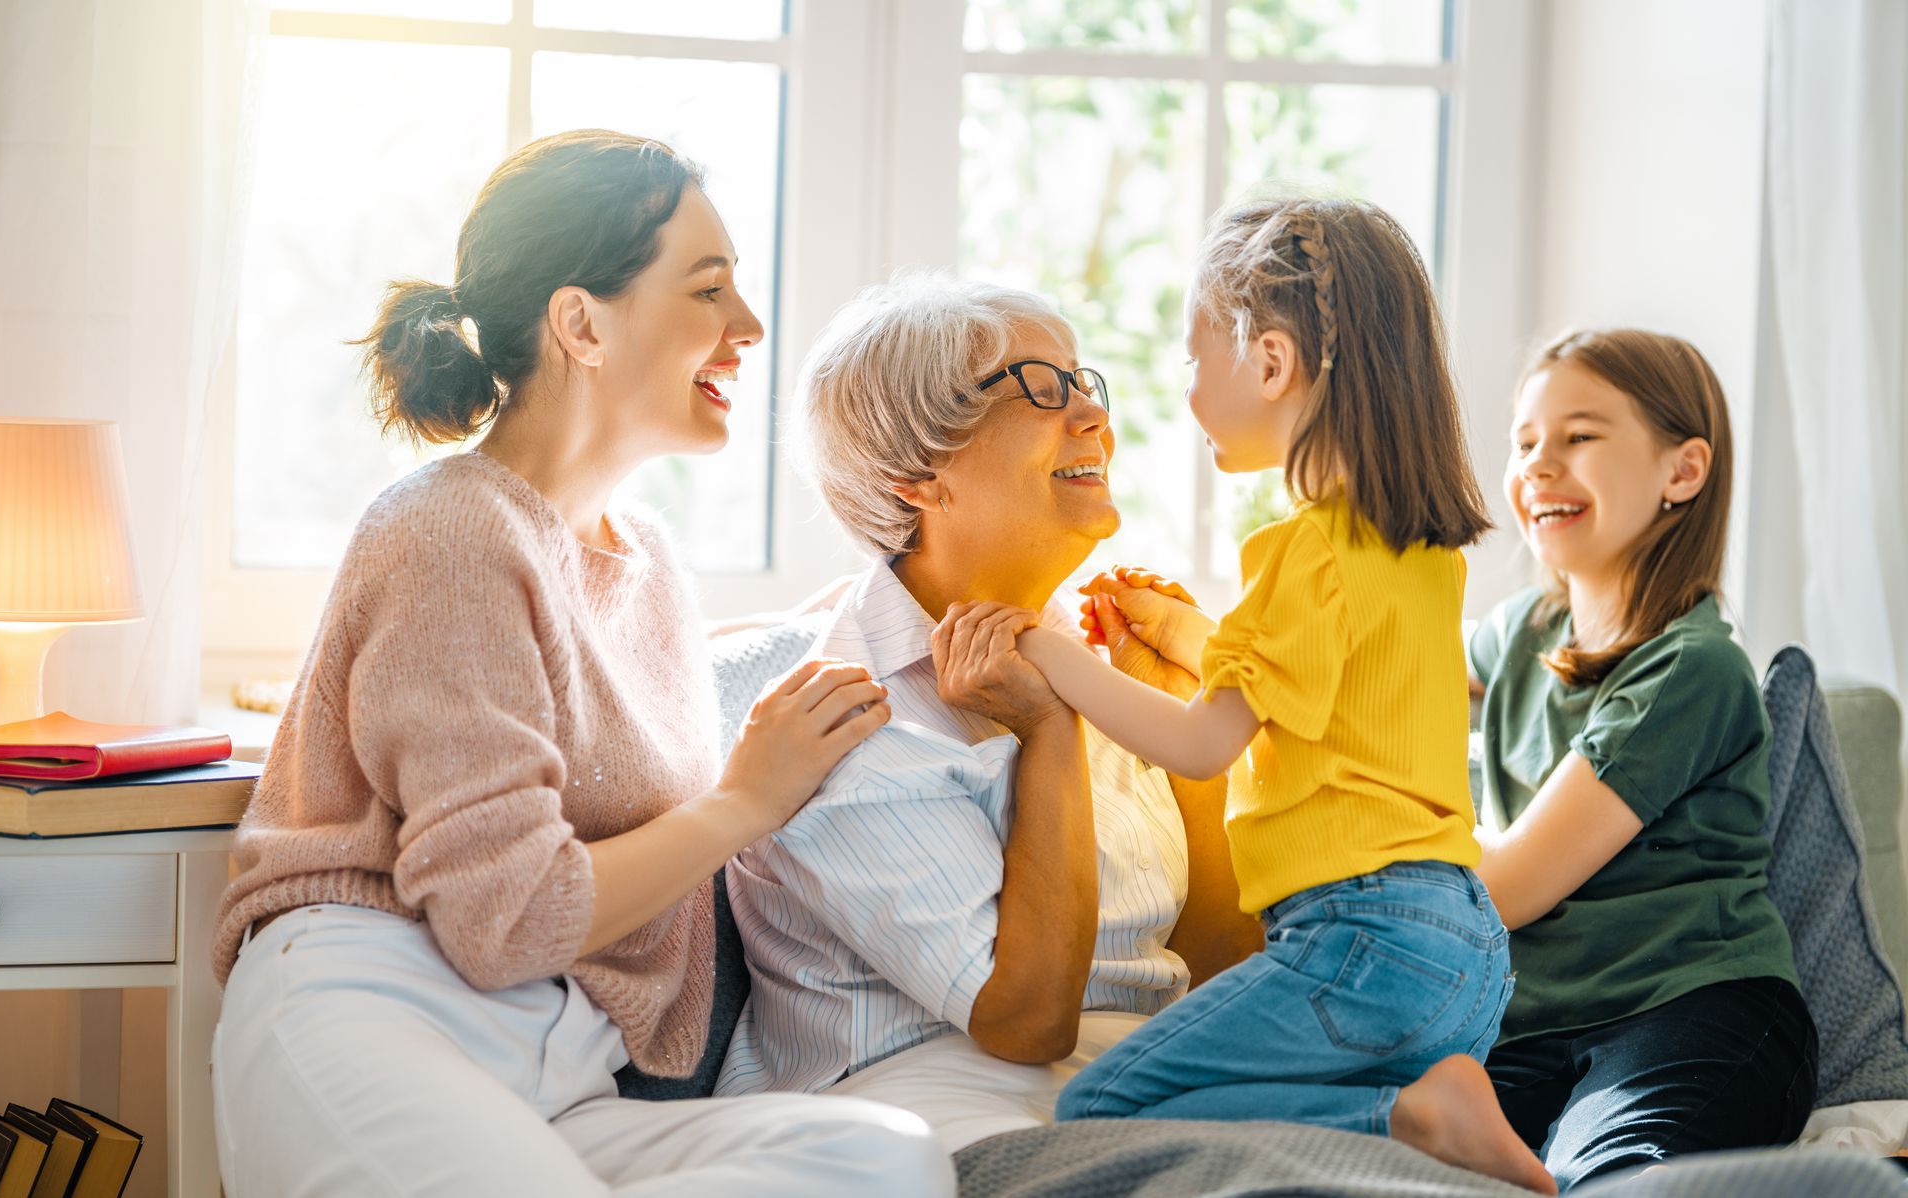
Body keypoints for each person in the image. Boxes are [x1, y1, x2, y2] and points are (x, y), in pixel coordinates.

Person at [208, 130, 954, 1198]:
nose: (747, 327)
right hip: (381, 1007)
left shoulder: (644, 560)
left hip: (557, 1066)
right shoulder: (453, 529)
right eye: (708, 290)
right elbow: (505, 920)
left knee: (887, 1157)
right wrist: (751, 798)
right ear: (581, 324)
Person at [992, 197, 1554, 1193]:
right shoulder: (1415, 551)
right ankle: (1422, 1117)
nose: (1184, 390)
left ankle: (1411, 1115)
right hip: (1463, 947)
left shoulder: (1299, 553)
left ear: (1270, 362)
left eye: (1192, 357)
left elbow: (1207, 742)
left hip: (1360, 940)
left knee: (1098, 1107)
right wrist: (1185, 635)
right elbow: (1324, 703)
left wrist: (1047, 653)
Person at [715, 276, 1264, 1151]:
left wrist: (1175, 724)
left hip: (1139, 1077)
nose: (1089, 414)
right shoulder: (837, 709)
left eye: (1084, 381)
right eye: (1039, 387)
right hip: (919, 1104)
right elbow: (1025, 1020)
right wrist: (1050, 732)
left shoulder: (1091, 651)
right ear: (916, 476)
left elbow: (1211, 963)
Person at [1468, 328, 1816, 1190]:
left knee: (1620, 1179)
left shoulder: (1691, 669)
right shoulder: (1519, 635)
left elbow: (1507, 889)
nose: (1538, 465)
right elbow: (1369, 688)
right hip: (1531, 1032)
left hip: (1691, 1009)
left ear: (1682, 471)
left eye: (1579, 436)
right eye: (1523, 443)